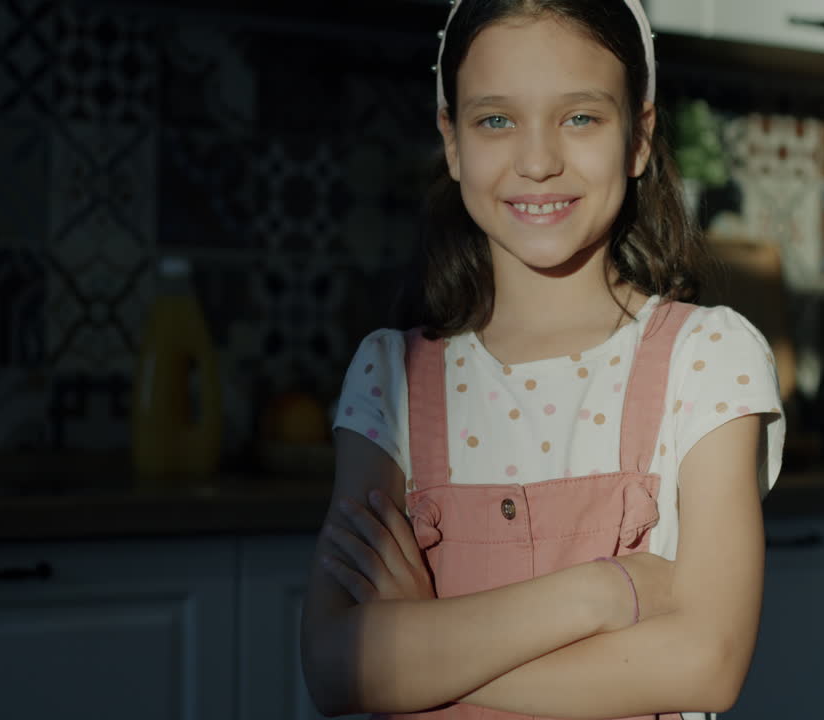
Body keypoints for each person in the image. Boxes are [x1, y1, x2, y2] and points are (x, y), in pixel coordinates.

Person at [300, 1, 785, 718]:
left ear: (639, 137)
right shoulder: (389, 379)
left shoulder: (708, 359)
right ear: (452, 141)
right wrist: (604, 591)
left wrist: (424, 652)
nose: (537, 161)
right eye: (495, 120)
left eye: (580, 117)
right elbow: (336, 668)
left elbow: (705, 665)